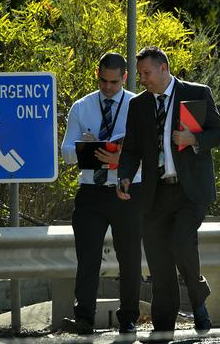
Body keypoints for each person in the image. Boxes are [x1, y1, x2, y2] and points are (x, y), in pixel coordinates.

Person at [117, 46, 220, 342]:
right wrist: (125, 176)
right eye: (140, 74)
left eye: (147, 73)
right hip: (155, 193)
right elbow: (130, 149)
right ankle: (163, 327)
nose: (143, 79)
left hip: (190, 190)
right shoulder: (139, 105)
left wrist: (194, 138)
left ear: (164, 68)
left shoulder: (196, 93)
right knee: (158, 260)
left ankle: (197, 296)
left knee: (181, 242)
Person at [60, 52, 142, 338]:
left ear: (124, 78)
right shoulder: (81, 107)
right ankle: (84, 317)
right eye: (103, 81)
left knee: (130, 257)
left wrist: (122, 156)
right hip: (91, 191)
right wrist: (86, 148)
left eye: (114, 82)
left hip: (127, 189)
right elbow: (66, 153)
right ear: (97, 74)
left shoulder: (137, 105)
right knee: (88, 257)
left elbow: (151, 152)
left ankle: (129, 318)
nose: (108, 87)